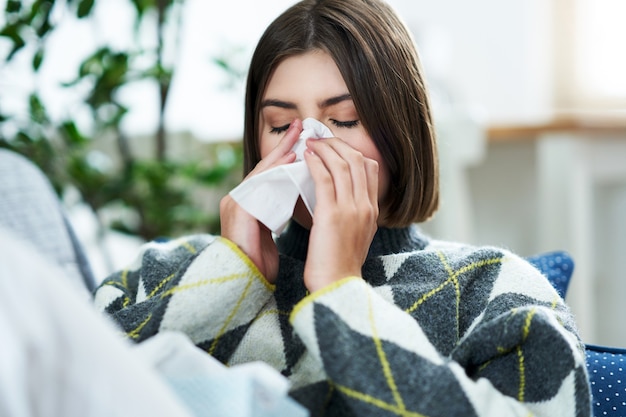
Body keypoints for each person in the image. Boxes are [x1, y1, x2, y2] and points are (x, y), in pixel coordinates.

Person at [94, 0, 591, 416]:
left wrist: (340, 292)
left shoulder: (494, 287)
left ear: (401, 133)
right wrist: (227, 276)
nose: (308, 146)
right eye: (279, 125)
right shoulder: (161, 271)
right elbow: (68, 385)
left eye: (345, 120)